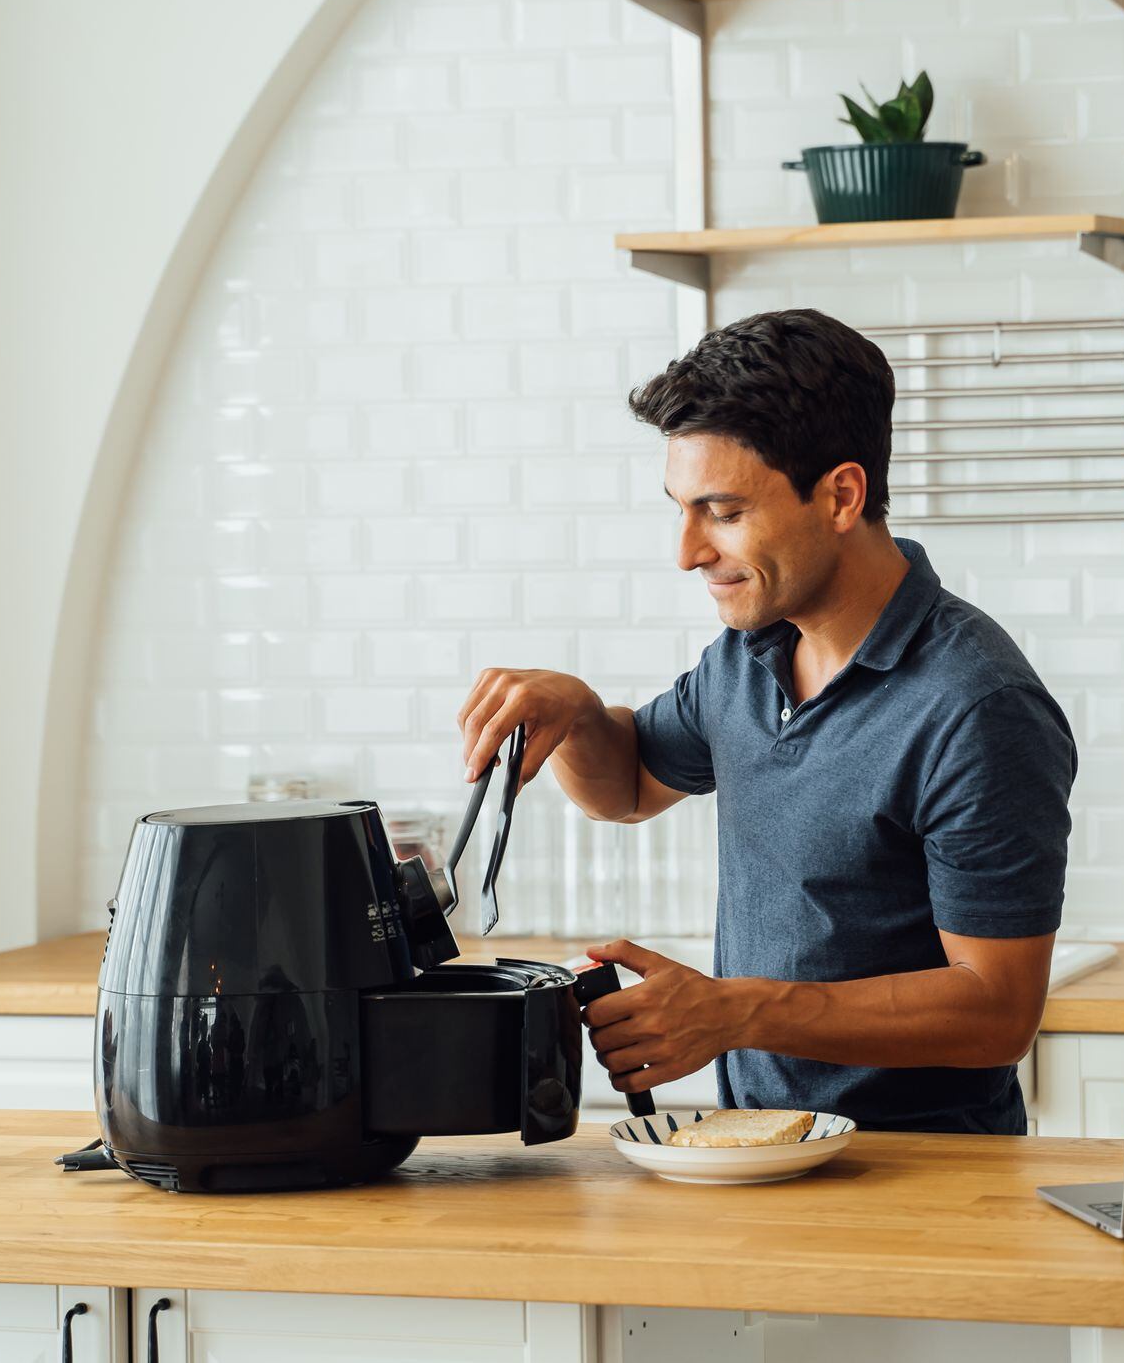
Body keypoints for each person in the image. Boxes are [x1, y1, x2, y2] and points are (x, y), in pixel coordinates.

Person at [456, 309, 1076, 1134]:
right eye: (681, 508)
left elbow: (997, 1012)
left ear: (841, 496)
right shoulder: (747, 655)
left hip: (922, 1176)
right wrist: (576, 715)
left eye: (722, 510)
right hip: (761, 1153)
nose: (687, 551)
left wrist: (738, 1012)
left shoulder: (976, 707)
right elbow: (629, 788)